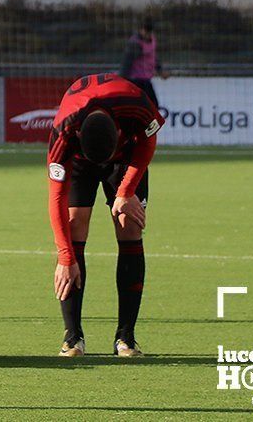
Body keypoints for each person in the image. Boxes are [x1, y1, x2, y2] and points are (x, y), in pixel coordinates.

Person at [46, 73, 165, 358]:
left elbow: (148, 144)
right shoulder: (63, 132)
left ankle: (126, 337)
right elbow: (57, 197)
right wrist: (65, 257)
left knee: (129, 226)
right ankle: (73, 337)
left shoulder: (135, 104)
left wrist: (125, 191)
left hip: (125, 160)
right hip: (80, 162)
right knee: (75, 225)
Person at [119, 17, 168, 108]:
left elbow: (153, 57)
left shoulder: (152, 40)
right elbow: (127, 62)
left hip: (145, 79)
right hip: (135, 80)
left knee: (153, 106)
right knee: (141, 106)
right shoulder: (135, 44)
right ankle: (143, 122)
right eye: (145, 31)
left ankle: (153, 123)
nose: (147, 34)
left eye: (149, 32)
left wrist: (160, 70)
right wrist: (122, 79)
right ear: (141, 30)